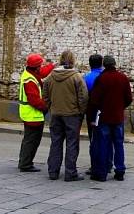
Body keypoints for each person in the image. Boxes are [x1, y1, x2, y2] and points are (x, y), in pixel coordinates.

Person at [43, 50, 89, 181]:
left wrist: (51, 106)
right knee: (72, 143)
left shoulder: (51, 76)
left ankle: (53, 171)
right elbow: (83, 96)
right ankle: (70, 172)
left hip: (56, 113)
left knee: (55, 142)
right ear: (73, 60)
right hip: (72, 114)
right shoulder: (77, 77)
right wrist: (81, 111)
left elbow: (45, 94)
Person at [88, 55, 132, 182]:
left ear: (104, 64)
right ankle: (120, 171)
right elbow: (129, 98)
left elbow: (94, 100)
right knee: (118, 144)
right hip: (118, 117)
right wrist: (120, 107)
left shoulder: (101, 79)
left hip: (104, 117)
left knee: (103, 144)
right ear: (114, 64)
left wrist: (92, 116)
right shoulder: (123, 78)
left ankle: (101, 173)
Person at [17, 54, 54, 173]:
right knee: (31, 140)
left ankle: (24, 161)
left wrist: (52, 66)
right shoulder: (30, 80)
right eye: (40, 65)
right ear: (36, 67)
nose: (41, 67)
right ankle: (25, 164)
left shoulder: (30, 74)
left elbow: (43, 73)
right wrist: (45, 107)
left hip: (30, 114)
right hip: (32, 115)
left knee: (29, 139)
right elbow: (34, 100)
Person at [83, 54, 104, 176]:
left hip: (92, 112)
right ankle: (107, 163)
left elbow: (84, 97)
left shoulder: (87, 78)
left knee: (94, 139)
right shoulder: (104, 77)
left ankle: (94, 165)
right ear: (101, 63)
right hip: (105, 111)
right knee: (106, 138)